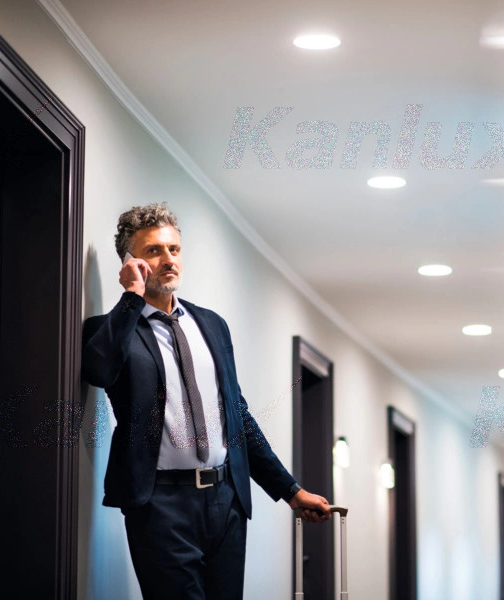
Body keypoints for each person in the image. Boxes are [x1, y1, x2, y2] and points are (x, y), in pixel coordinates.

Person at [82, 203, 331, 600]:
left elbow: (238, 418)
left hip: (225, 501)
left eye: (174, 249)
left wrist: (290, 490)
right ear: (130, 263)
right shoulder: (111, 329)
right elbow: (99, 371)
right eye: (153, 251)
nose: (168, 259)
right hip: (159, 505)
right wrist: (132, 297)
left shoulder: (211, 325)